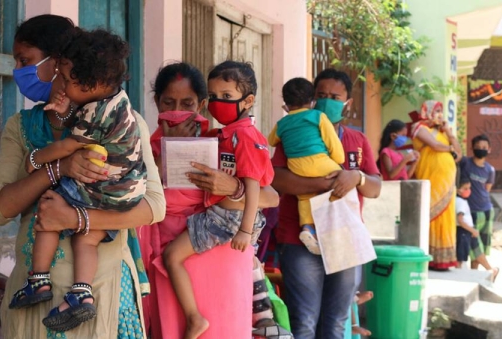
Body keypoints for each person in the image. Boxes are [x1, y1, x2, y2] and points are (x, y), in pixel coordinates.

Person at [0, 15, 165, 339]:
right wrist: (59, 169)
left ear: (59, 64)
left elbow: (154, 207)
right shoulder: (21, 126)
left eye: (25, 61)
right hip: (32, 301)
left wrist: (75, 217)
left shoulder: (123, 122)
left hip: (99, 297)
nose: (17, 71)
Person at [139, 62, 282, 339]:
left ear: (202, 104)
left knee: (223, 326)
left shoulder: (220, 141)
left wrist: (234, 188)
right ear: (157, 102)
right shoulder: (143, 145)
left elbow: (272, 196)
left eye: (187, 103)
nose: (178, 109)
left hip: (221, 250)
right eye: (169, 102)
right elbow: (134, 192)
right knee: (172, 326)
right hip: (167, 253)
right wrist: (165, 153)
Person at [272, 68, 381, 339]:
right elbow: (278, 179)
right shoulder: (293, 131)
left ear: (347, 103)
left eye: (335, 96)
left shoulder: (357, 141)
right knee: (304, 321)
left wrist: (356, 177)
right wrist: (326, 184)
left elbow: (376, 187)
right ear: (311, 98)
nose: (326, 100)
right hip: (300, 240)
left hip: (345, 237)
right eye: (321, 95)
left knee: (335, 323)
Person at [268, 77, 343, 254]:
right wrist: (337, 163)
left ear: (286, 105)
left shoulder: (282, 123)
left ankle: (308, 228)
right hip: (321, 164)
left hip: (297, 168)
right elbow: (336, 150)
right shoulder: (318, 116)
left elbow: (271, 141)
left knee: (304, 197)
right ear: (313, 101)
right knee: (342, 182)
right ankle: (335, 224)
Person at [411, 100, 462, 270]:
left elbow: (459, 155)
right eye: (436, 110)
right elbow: (434, 146)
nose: (439, 114)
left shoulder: (442, 132)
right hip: (430, 176)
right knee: (431, 214)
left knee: (446, 217)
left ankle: (444, 259)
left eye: (441, 111)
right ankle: (430, 257)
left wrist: (449, 133)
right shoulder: (419, 127)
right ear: (427, 111)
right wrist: (451, 149)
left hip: (447, 182)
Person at [458, 134, 496, 270]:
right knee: (474, 246)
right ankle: (490, 270)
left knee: (481, 247)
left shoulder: (490, 170)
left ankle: (476, 274)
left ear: (489, 149)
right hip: (470, 212)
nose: (481, 149)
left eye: (484, 147)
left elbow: (487, 189)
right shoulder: (465, 163)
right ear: (472, 148)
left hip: (486, 211)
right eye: (478, 147)